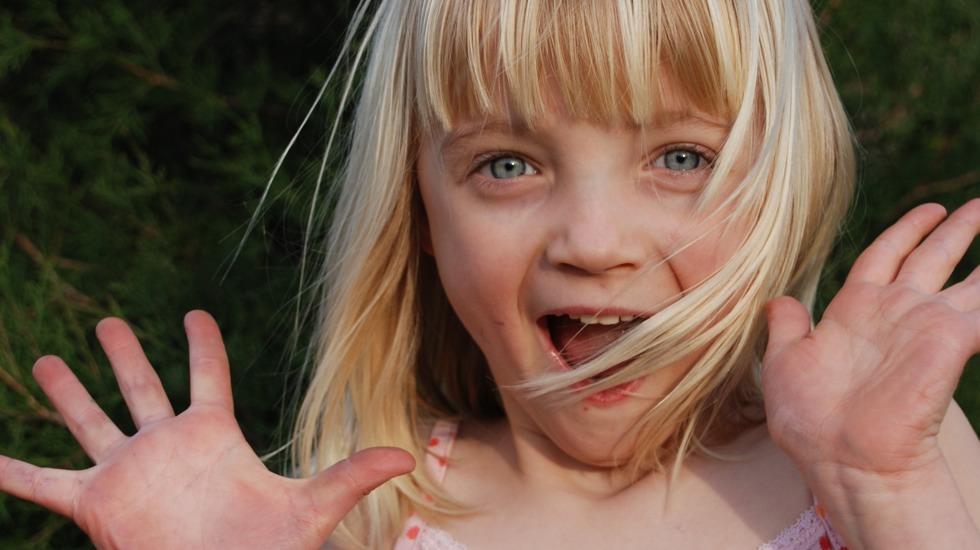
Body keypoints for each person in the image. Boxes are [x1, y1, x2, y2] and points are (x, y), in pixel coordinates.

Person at [2, 0, 979, 548]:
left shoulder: (877, 468)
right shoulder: (379, 514)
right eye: (505, 165)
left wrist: (890, 498)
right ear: (419, 215)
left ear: (783, 186)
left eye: (680, 157)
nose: (592, 240)